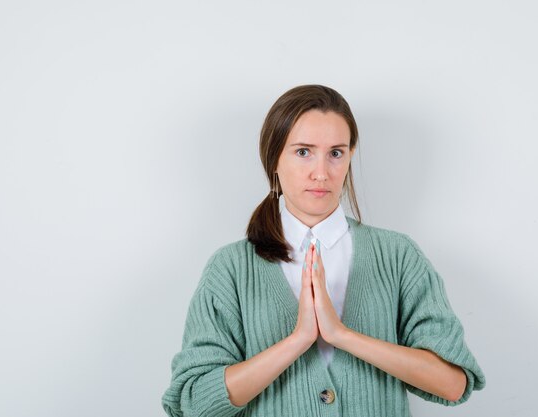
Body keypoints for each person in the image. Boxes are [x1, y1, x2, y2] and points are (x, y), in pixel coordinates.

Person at [162, 84, 485, 417]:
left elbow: (453, 383)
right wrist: (298, 340)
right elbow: (193, 404)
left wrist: (342, 335)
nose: (321, 173)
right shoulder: (230, 268)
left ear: (349, 157)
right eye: (303, 151)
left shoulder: (398, 255)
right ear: (274, 159)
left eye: (335, 153)